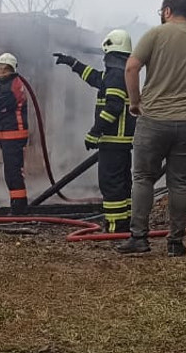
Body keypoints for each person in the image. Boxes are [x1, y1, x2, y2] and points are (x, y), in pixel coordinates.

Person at [116, 0, 186, 257]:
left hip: (154, 120)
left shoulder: (155, 35)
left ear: (166, 11)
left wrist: (135, 102)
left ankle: (139, 238)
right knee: (180, 182)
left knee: (142, 178)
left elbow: (131, 68)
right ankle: (175, 242)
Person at [53, 29, 135, 233]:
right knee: (122, 184)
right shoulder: (119, 73)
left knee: (111, 184)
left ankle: (116, 228)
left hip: (113, 140)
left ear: (110, 52)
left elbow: (114, 107)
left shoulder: (116, 75)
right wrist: (73, 63)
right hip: (120, 142)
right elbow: (96, 79)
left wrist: (94, 132)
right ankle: (125, 222)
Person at [0, 53, 29, 214]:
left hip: (13, 135)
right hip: (7, 135)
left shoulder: (13, 87)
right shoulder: (6, 84)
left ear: (12, 71)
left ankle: (18, 209)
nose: (1, 72)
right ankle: (18, 206)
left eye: (5, 69)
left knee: (13, 174)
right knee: (11, 173)